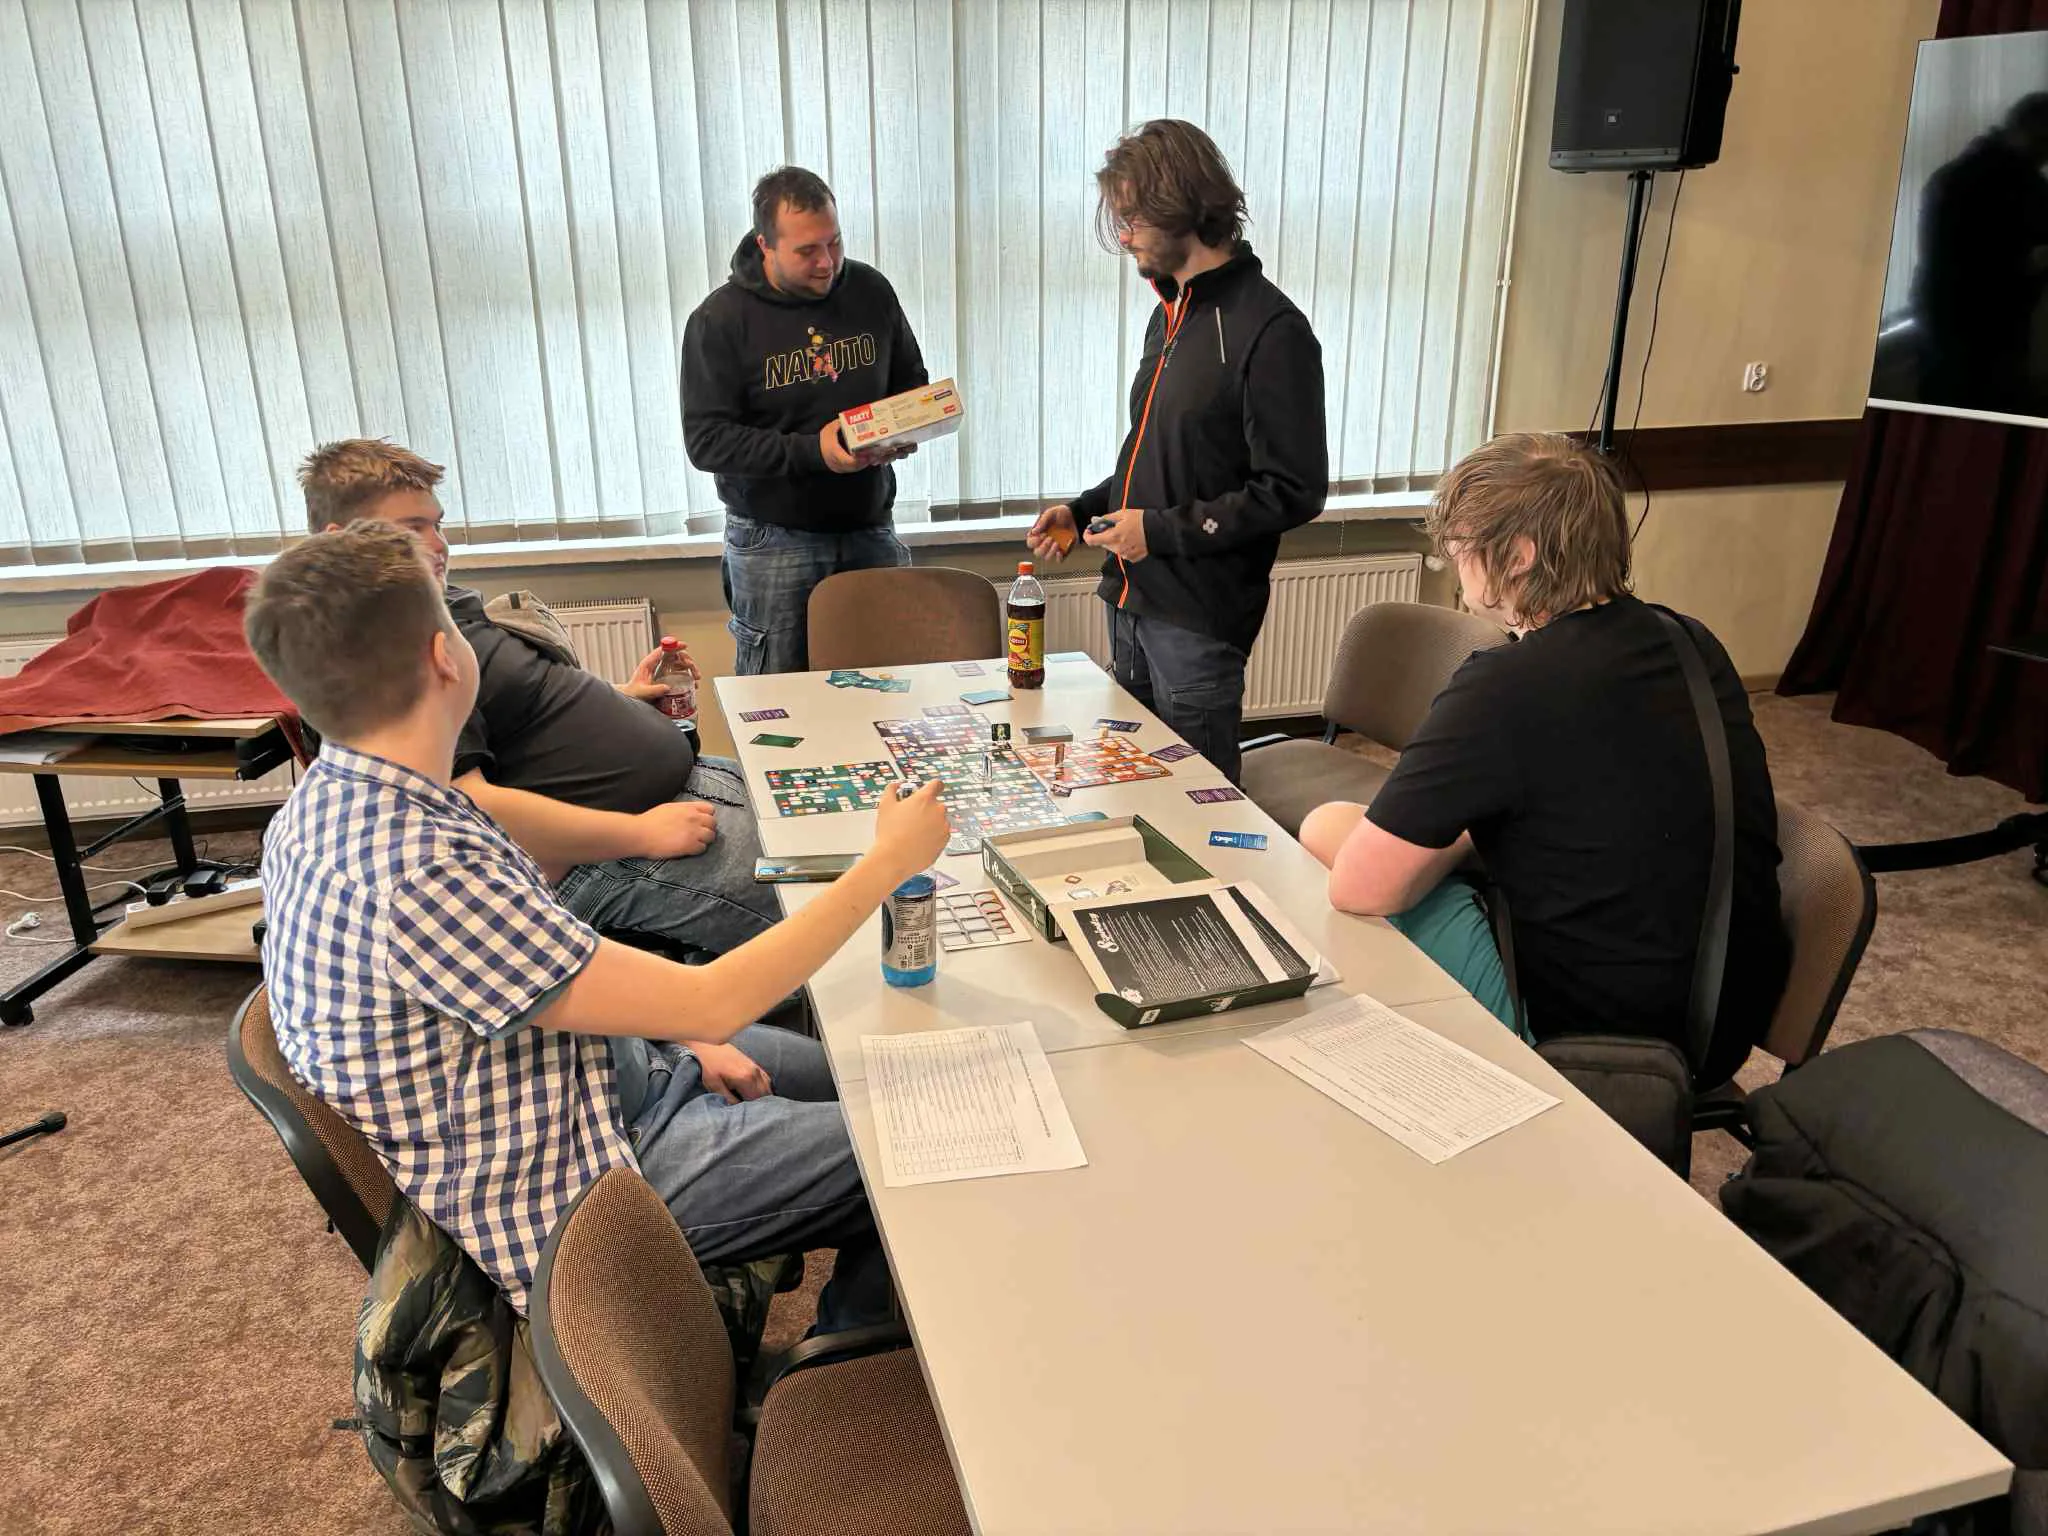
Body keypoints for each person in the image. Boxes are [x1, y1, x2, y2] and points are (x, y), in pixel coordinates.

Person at [249, 520, 950, 1327]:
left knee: (880, 1075)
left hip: (596, 1077)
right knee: (918, 1143)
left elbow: (556, 963)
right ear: (446, 656)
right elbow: (715, 1001)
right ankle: (844, 1368)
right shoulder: (417, 867)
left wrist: (679, 1035)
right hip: (584, 1183)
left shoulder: (351, 800)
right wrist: (885, 864)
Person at [1298, 434, 1788, 1088]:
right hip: (1720, 1022)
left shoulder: (1506, 685)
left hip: (1587, 1045)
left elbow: (1360, 886)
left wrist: (1459, 839)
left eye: (1461, 547)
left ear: (1519, 556)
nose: (1453, 563)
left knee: (1331, 832)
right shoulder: (1692, 641)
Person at [298, 438, 780, 958]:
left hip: (668, 796)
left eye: (437, 525)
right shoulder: (392, 653)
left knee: (817, 839)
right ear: (341, 541)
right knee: (814, 914)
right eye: (412, 529)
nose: (438, 545)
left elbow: (512, 710)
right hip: (608, 849)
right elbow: (466, 802)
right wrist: (639, 834)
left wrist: (623, 697)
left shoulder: (437, 603)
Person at [1027, 120, 1327, 783]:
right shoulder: (1167, 315)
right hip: (1130, 603)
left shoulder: (1272, 331)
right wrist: (1083, 511)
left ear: (1182, 205)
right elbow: (1154, 452)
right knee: (1131, 793)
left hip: (1197, 622)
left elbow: (1294, 490)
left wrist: (1158, 532)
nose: (1124, 236)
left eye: (1132, 218)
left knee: (1199, 809)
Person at [683, 165, 930, 675]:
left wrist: (903, 427)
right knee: (777, 699)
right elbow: (707, 441)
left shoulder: (870, 290)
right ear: (765, 245)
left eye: (834, 243)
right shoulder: (719, 320)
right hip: (773, 538)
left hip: (869, 525)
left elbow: (909, 380)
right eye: (807, 251)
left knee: (886, 685)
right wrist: (815, 451)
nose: (827, 263)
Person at [1911, 92, 2048, 415]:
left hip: (1947, 322)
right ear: (2029, 133)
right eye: (2045, 144)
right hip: (1981, 328)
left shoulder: (1957, 174)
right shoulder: (2012, 182)